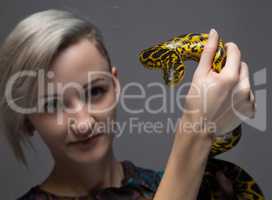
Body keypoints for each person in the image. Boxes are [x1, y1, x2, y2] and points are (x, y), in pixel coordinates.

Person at [0, 9, 257, 200]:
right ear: (26, 120)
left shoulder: (213, 187)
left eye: (95, 91)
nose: (83, 123)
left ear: (115, 85)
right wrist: (197, 128)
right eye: (53, 105)